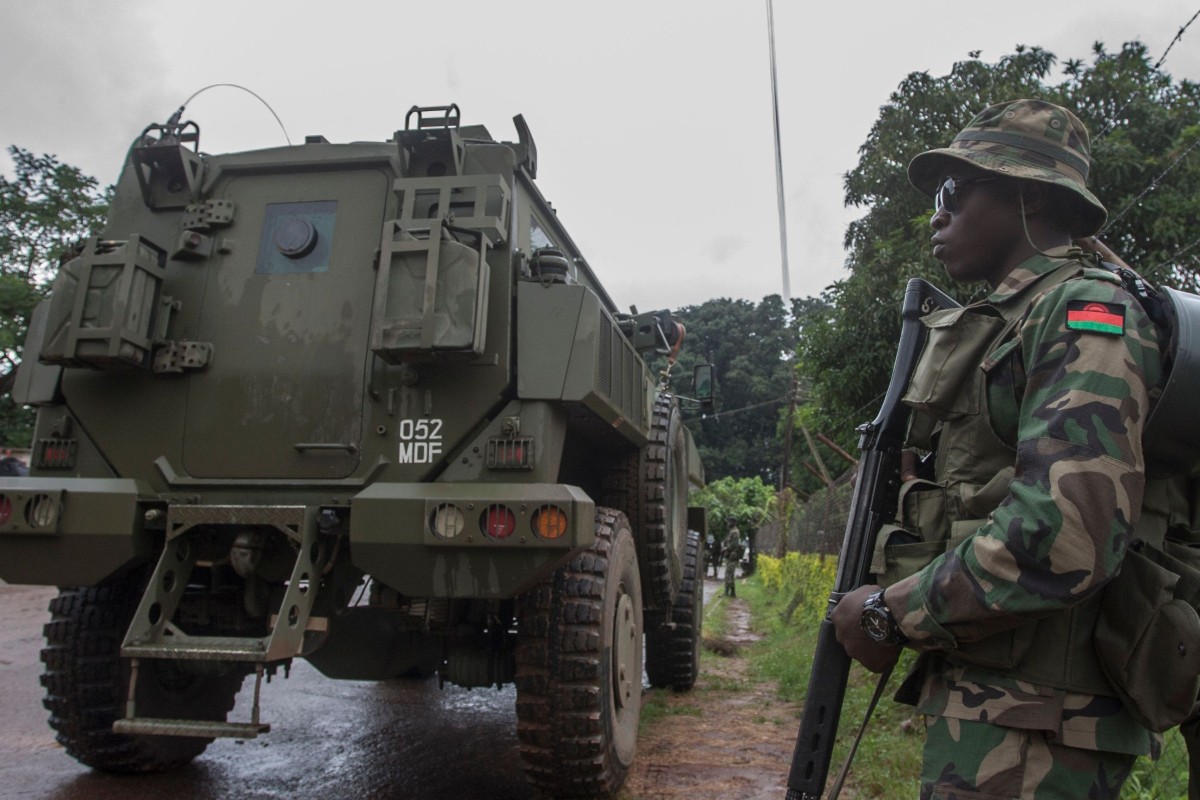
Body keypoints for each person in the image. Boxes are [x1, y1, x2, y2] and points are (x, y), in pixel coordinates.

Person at [830, 99, 1174, 798]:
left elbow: (1068, 531)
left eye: (955, 190)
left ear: (1027, 196)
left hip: (1046, 717)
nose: (937, 214)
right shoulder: (1015, 320)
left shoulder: (1087, 314)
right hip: (1008, 702)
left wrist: (890, 612)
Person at [722, 524, 742, 597]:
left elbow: (734, 544)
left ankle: (730, 592)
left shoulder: (735, 532)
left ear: (733, 522)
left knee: (729, 573)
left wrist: (726, 549)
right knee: (728, 573)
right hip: (729, 555)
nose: (728, 523)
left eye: (729, 522)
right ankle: (728, 592)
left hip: (732, 555)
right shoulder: (731, 531)